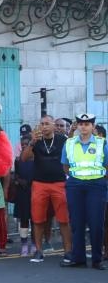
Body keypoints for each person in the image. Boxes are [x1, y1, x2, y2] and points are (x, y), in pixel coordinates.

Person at [20, 115, 71, 262]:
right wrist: (32, 142)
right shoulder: (36, 140)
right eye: (42, 124)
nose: (44, 126)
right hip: (39, 184)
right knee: (38, 219)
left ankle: (68, 251)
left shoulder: (63, 140)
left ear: (54, 125)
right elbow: (24, 158)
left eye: (47, 123)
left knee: (63, 219)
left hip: (59, 183)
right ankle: (39, 251)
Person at [60, 113, 107, 270]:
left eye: (87, 124)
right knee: (76, 223)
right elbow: (65, 166)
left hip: (96, 186)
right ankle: (78, 258)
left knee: (96, 223)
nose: (84, 127)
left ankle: (97, 260)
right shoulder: (69, 143)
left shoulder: (102, 143)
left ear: (93, 126)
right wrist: (76, 178)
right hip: (75, 185)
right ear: (77, 126)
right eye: (81, 124)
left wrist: (99, 179)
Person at [12, 124, 36, 257]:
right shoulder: (18, 160)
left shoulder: (36, 160)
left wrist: (31, 182)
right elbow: (15, 175)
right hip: (22, 192)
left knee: (35, 219)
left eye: (26, 145)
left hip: (34, 191)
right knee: (24, 219)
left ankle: (35, 244)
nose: (24, 147)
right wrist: (19, 181)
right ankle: (24, 244)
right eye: (22, 145)